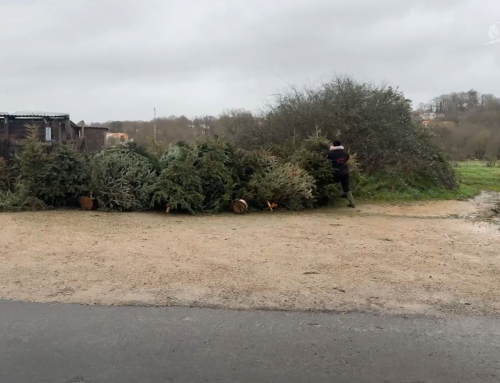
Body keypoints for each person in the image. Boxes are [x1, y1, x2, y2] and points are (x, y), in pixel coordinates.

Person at [327, 140, 356, 208]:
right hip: (345, 172)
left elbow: (326, 158)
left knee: (328, 184)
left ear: (333, 145)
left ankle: (329, 200)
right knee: (346, 187)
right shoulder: (345, 153)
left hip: (335, 173)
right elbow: (346, 159)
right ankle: (352, 203)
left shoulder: (331, 153)